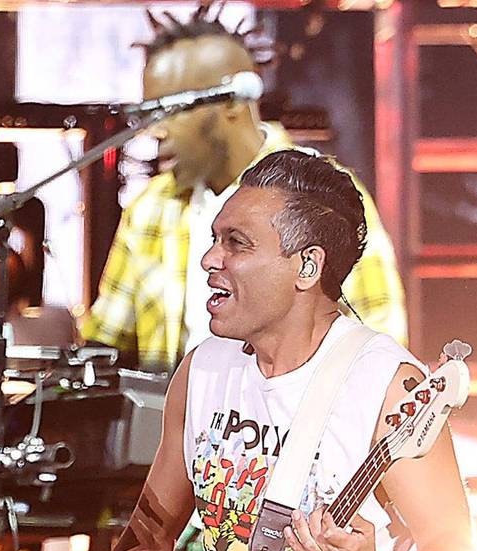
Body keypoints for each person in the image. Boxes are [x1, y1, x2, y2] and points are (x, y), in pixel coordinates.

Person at [85, 150, 477, 551]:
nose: (208, 260)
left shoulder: (388, 387)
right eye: (214, 239)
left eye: (236, 244)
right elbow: (151, 531)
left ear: (307, 267)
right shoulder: (203, 370)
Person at [81, 1, 407, 373]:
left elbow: (381, 352)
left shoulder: (323, 199)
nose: (156, 130)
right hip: (177, 424)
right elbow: (104, 346)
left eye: (169, 111)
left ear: (230, 104)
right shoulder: (152, 207)